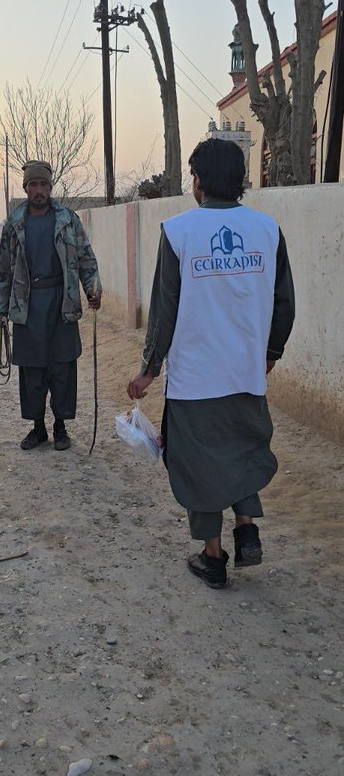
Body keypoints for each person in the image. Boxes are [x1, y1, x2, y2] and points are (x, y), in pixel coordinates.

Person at [128, 138, 295, 589]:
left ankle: (213, 557)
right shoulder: (267, 229)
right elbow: (284, 304)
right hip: (245, 375)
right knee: (240, 450)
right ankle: (246, 529)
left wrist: (148, 369)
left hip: (196, 380)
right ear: (240, 180)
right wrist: (270, 354)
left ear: (198, 180)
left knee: (198, 464)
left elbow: (164, 311)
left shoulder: (179, 232)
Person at [0, 160, 101, 451]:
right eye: (33, 185)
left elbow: (86, 259)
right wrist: (1, 309)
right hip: (27, 304)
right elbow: (3, 270)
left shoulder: (68, 219)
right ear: (26, 187)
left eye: (43, 184)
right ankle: (38, 428)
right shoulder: (13, 224)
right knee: (32, 369)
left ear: (50, 187)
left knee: (62, 366)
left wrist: (92, 289)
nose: (39, 190)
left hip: (61, 302)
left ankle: (60, 428)